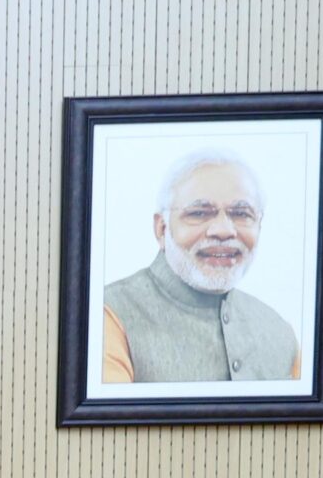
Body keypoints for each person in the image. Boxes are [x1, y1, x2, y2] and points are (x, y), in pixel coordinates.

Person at [101, 151, 302, 384]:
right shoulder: (109, 315)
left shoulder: (279, 333)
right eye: (199, 213)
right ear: (162, 229)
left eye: (241, 214)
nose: (224, 230)